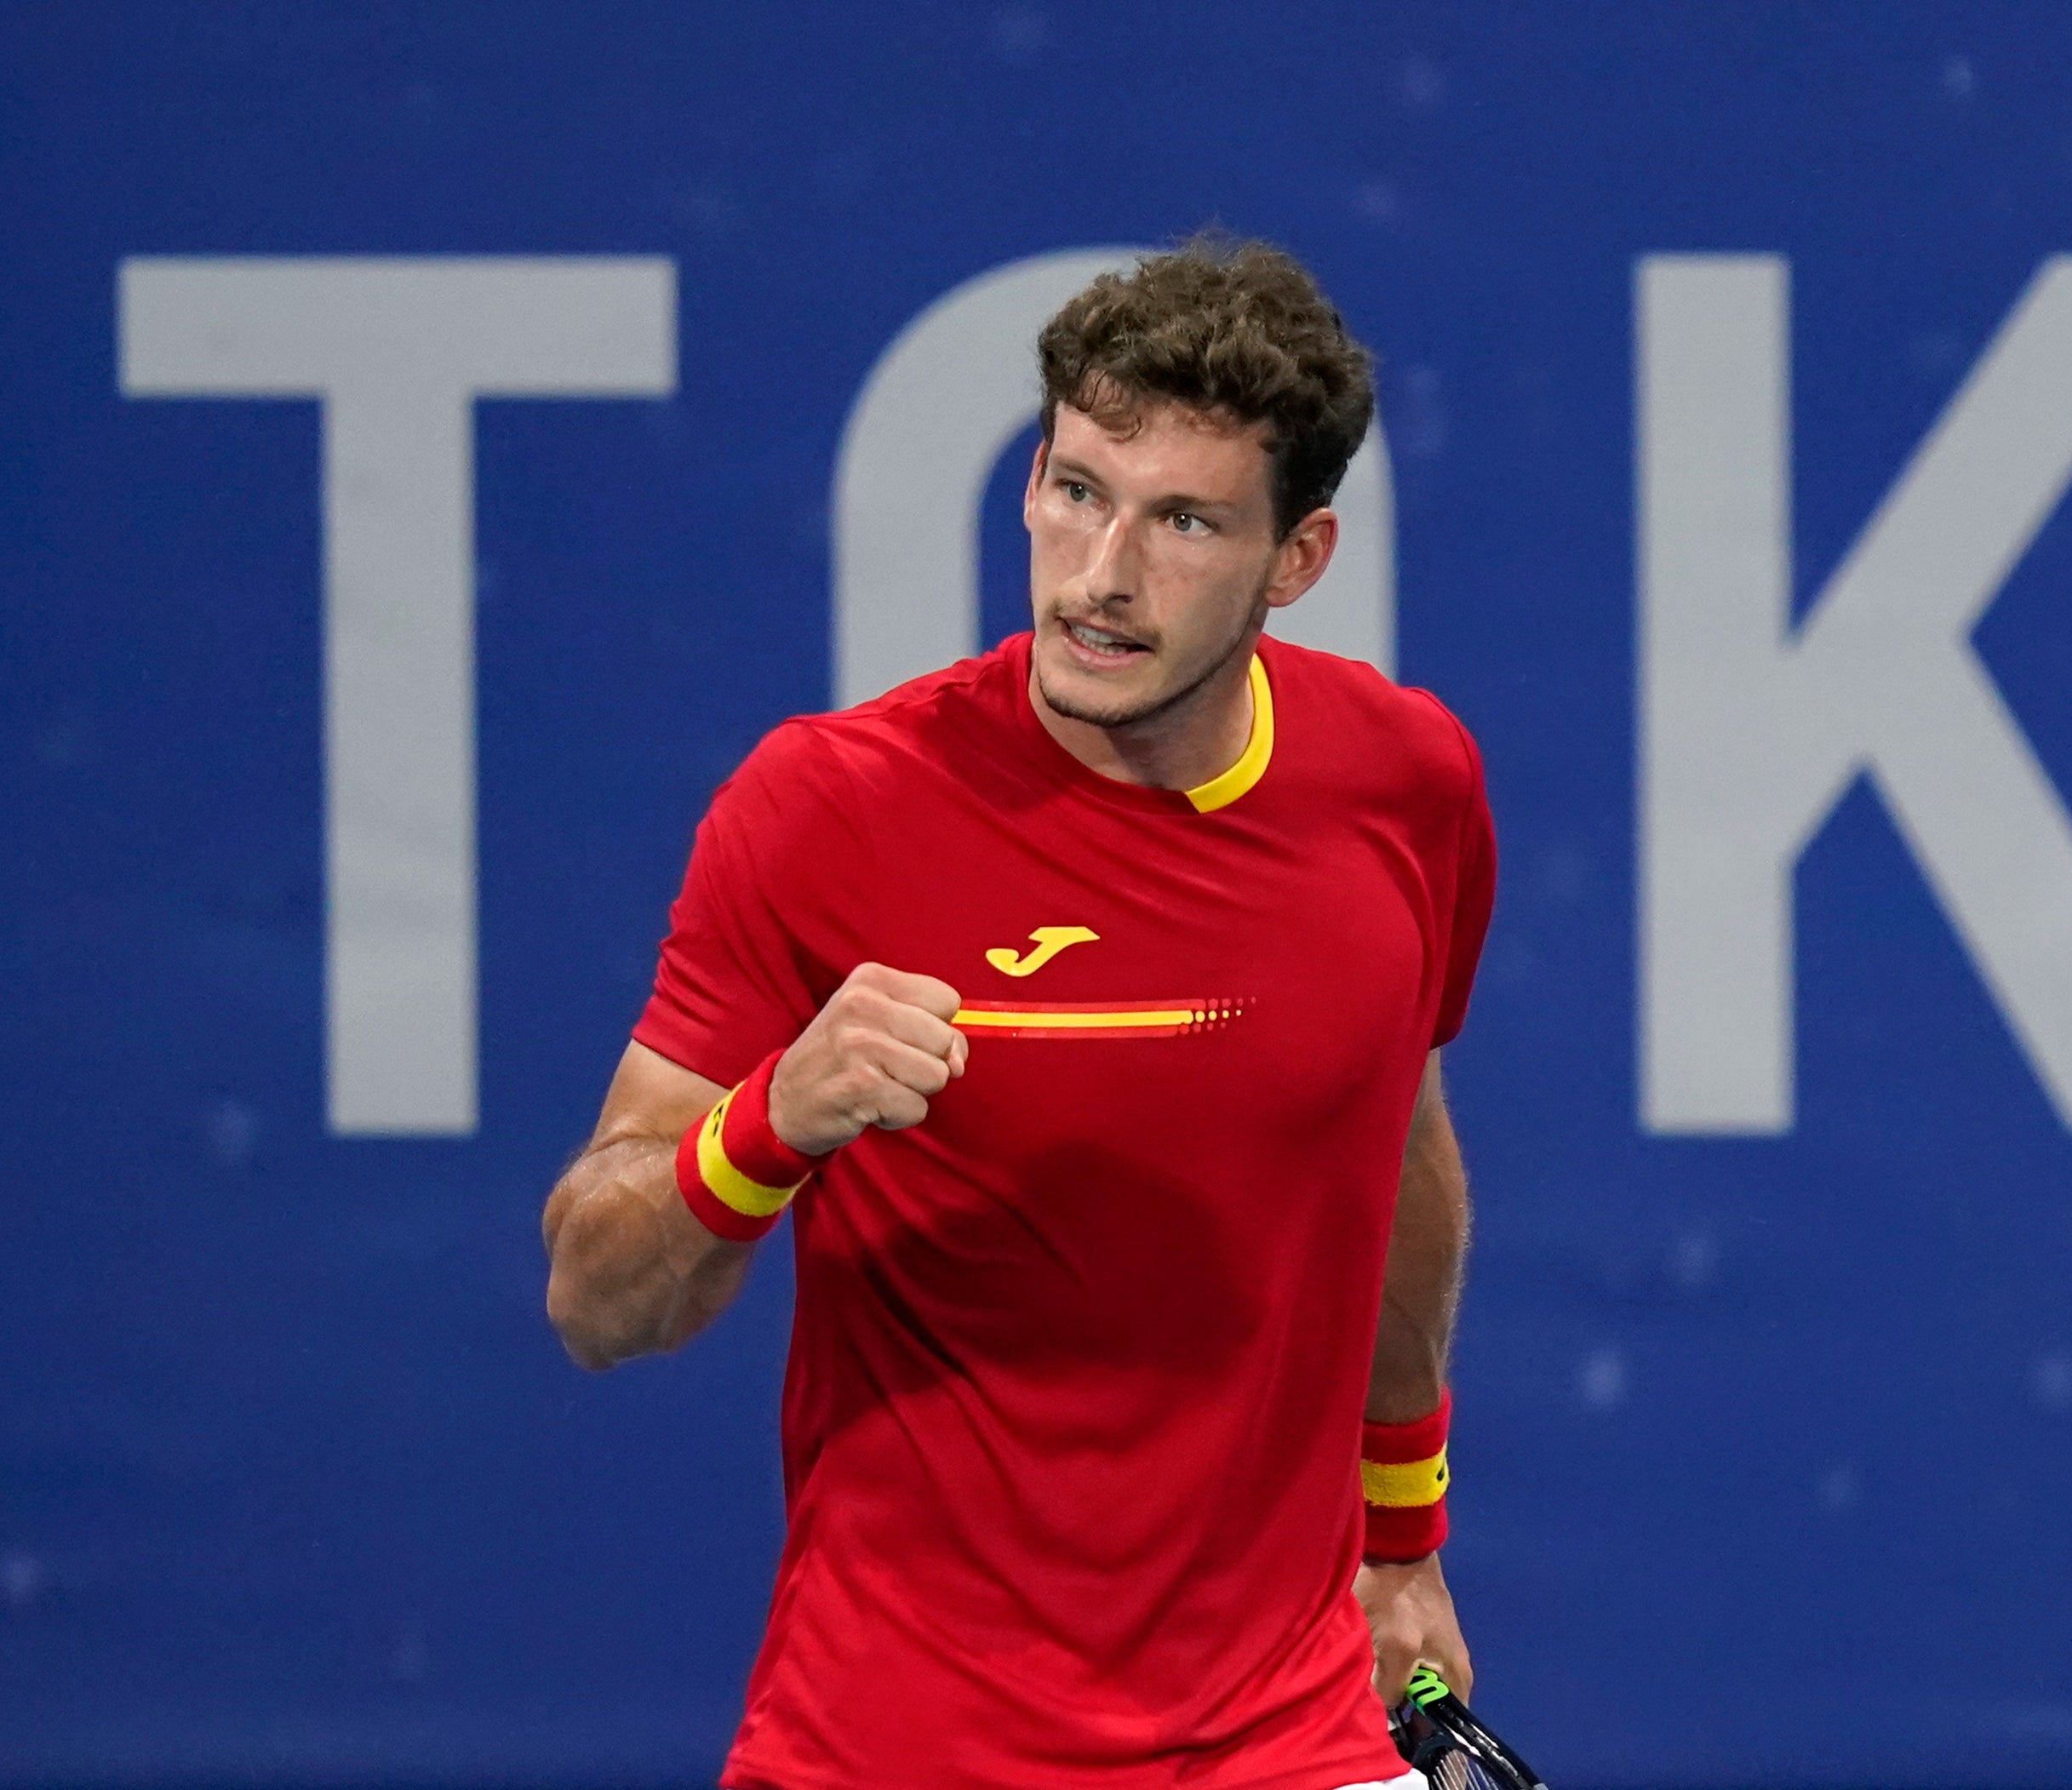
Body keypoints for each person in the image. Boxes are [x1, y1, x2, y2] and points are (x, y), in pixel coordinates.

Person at [541, 235, 1496, 1790]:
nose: (1100, 575)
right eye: (1072, 491)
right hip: (891, 1751)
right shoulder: (822, 809)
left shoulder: (1406, 786)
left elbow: (1389, 1143)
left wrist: (1403, 1536)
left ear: (1298, 557)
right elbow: (598, 1302)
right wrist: (767, 1122)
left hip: (1287, 1741)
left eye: (1183, 520)